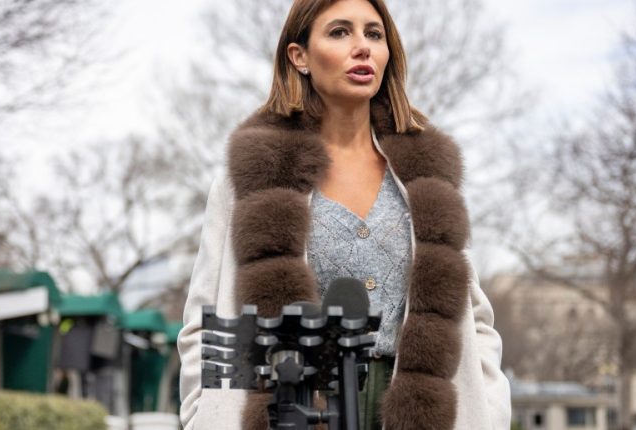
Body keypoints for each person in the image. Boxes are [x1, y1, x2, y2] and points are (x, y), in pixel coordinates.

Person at [177, 0, 511, 429]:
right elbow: (209, 325)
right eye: (339, 32)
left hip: (419, 412)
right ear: (299, 56)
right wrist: (203, 416)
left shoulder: (426, 180)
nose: (362, 47)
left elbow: (474, 316)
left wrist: (491, 411)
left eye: (374, 34)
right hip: (294, 410)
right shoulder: (252, 177)